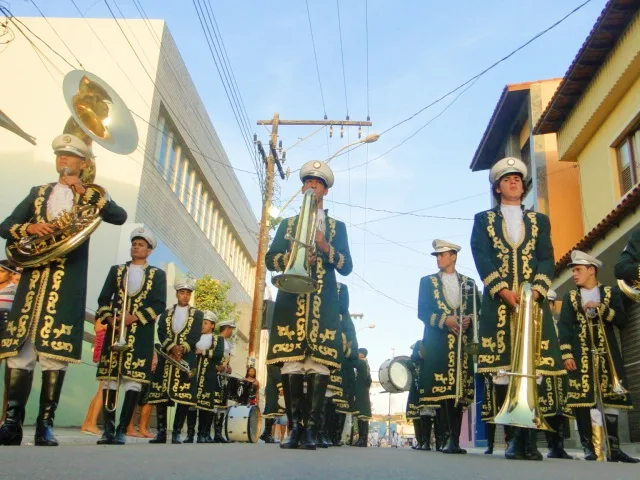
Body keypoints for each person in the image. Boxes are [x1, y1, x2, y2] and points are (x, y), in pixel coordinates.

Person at [0, 133, 128, 446]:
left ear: (83, 164)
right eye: (60, 156)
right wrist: (30, 228)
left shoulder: (92, 196)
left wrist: (87, 193)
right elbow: (6, 227)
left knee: (54, 354)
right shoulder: (38, 192)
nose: (64, 162)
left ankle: (46, 425)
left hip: (66, 281)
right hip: (33, 281)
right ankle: (12, 423)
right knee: (20, 352)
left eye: (70, 158)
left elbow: (118, 216)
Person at [470, 156, 564, 461]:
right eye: (507, 180)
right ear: (498, 188)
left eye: (518, 180)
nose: (514, 183)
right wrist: (502, 289)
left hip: (533, 305)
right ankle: (511, 439)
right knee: (503, 371)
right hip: (499, 306)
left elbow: (547, 258)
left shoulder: (540, 221)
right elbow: (481, 256)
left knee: (532, 370)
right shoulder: (483, 220)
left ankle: (531, 440)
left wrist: (536, 290)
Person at [266, 160, 352, 450]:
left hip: (322, 302)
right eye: (308, 182)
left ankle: (312, 430)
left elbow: (346, 266)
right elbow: (270, 260)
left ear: (325, 191)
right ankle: (295, 429)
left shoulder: (336, 227)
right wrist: (292, 254)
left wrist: (325, 246)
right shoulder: (288, 224)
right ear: (302, 187)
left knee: (318, 364)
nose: (312, 186)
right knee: (291, 363)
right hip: (291, 299)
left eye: (318, 184)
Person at [558, 250, 638, 463]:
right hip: (580, 356)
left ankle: (614, 448)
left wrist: (602, 309)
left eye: (578, 270)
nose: (574, 275)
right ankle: (591, 447)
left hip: (607, 355)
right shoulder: (570, 296)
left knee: (612, 399)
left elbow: (621, 320)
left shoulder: (611, 293)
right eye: (573, 270)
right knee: (583, 402)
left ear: (591, 270)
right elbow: (564, 328)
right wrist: (566, 354)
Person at [94, 227, 167, 445]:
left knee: (133, 381)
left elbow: (159, 304)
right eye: (134, 243)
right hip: (115, 334)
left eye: (141, 244)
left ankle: (121, 429)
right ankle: (107, 428)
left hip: (141, 334)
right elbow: (103, 300)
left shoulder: (157, 274)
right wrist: (112, 320)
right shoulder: (117, 270)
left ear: (149, 250)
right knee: (110, 379)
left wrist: (133, 318)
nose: (136, 246)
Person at [418, 239, 480, 454]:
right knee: (442, 392)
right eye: (436, 255)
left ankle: (454, 438)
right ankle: (445, 437)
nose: (438, 259)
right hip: (438, 342)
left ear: (453, 256)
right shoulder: (427, 282)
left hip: (461, 345)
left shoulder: (469, 283)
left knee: (459, 392)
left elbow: (475, 311)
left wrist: (468, 321)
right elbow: (423, 312)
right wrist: (446, 320)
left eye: (442, 255)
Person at [147, 279, 203, 444]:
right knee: (161, 395)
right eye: (182, 293)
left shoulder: (198, 314)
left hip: (186, 358)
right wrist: (171, 347)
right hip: (167, 358)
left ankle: (177, 432)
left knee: (184, 395)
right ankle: (162, 433)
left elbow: (195, 335)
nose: (185, 296)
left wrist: (182, 348)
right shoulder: (166, 313)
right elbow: (161, 331)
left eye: (188, 293)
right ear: (177, 294)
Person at [539, 289, 573, 459]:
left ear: (552, 305)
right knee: (546, 409)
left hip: (559, 373)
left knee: (560, 410)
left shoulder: (559, 325)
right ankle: (551, 445)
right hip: (544, 372)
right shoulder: (539, 327)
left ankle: (559, 446)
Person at [189, 310, 224, 443]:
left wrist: (202, 352)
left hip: (208, 376)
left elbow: (218, 354)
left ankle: (202, 434)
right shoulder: (194, 336)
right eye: (201, 323)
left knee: (205, 406)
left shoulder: (218, 339)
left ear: (212, 325)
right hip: (194, 375)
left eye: (206, 323)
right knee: (191, 405)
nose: (202, 325)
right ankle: (190, 434)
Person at [0, 261, 20, 425]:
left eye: (1, 271)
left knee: (10, 379)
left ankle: (5, 418)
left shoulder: (16, 291)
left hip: (8, 335)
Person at [212, 318, 236, 443]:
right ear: (227, 329)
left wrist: (228, 367)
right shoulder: (216, 340)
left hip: (223, 377)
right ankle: (208, 432)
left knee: (222, 404)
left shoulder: (228, 344)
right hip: (214, 375)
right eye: (231, 329)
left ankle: (218, 433)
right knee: (213, 404)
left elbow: (227, 360)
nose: (231, 332)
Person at [407, 340, 427, 450]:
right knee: (416, 418)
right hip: (415, 391)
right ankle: (420, 441)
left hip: (424, 390)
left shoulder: (426, 359)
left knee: (426, 417)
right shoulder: (411, 362)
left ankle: (428, 441)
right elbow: (411, 361)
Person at [260, 364, 285, 444]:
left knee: (274, 411)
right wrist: (281, 387)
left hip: (274, 388)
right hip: (273, 388)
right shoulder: (273, 359)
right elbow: (275, 372)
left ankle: (266, 433)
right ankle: (267, 434)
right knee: (270, 411)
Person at [353, 348, 372, 447]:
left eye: (358, 353)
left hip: (361, 391)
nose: (357, 354)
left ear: (362, 354)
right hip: (364, 391)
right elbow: (370, 380)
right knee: (362, 416)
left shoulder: (361, 362)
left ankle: (362, 439)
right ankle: (363, 439)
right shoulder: (366, 364)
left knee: (362, 416)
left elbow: (352, 363)